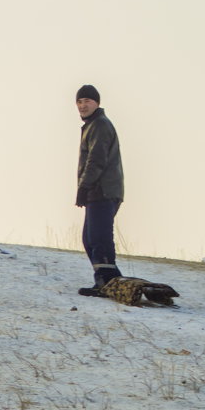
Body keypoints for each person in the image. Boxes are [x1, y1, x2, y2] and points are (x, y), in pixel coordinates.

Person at [74, 84, 125, 295]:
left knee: (98, 238)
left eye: (87, 101)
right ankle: (106, 281)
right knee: (90, 238)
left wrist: (84, 186)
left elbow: (96, 159)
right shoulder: (92, 126)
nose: (82, 105)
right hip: (98, 191)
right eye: (79, 102)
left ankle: (108, 282)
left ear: (97, 103)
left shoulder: (100, 125)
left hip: (103, 190)